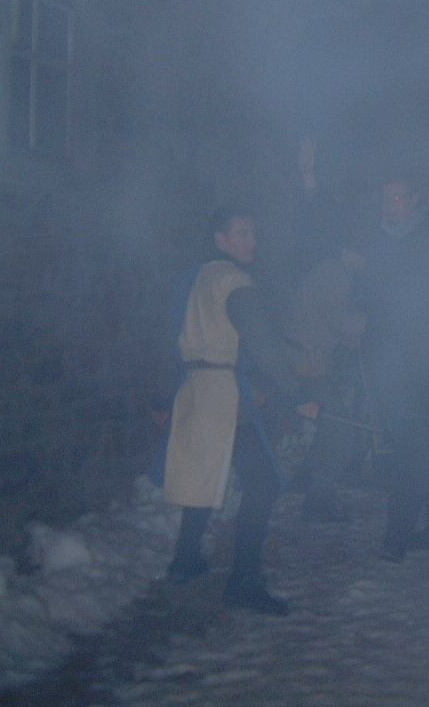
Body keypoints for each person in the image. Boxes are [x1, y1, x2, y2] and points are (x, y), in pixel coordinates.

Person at [163, 206, 318, 616]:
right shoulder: (234, 280)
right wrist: (296, 391)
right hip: (221, 396)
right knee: (263, 483)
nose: (253, 242)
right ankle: (243, 581)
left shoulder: (194, 277)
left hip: (195, 388)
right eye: (243, 234)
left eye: (254, 233)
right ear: (221, 239)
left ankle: (184, 561)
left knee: (204, 472)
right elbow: (261, 341)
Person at [358, 173, 429, 562]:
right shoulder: (378, 239)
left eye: (398, 197)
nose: (390, 204)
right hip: (391, 359)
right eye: (386, 197)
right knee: (422, 443)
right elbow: (373, 298)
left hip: (426, 358)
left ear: (416, 199)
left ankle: (397, 535)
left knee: (412, 443)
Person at [283, 239, 368, 522]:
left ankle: (306, 476)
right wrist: (374, 324)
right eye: (361, 255)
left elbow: (331, 322)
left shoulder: (334, 273)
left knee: (330, 421)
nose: (365, 262)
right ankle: (318, 498)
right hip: (304, 362)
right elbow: (339, 319)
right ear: (347, 251)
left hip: (311, 360)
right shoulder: (333, 274)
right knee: (339, 427)